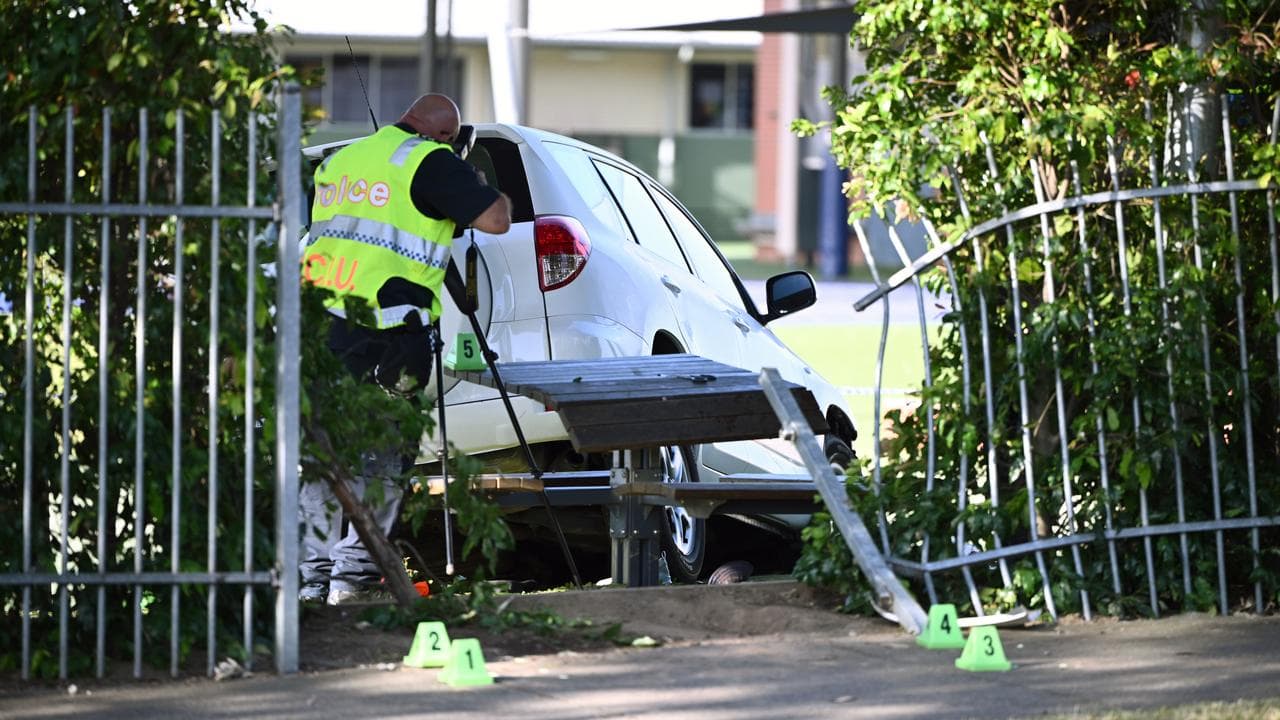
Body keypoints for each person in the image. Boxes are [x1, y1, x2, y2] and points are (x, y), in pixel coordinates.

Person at [299, 93, 511, 605]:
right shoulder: (429, 160)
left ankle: (308, 580)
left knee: (320, 456)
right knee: (380, 459)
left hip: (321, 329)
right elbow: (496, 218)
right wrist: (470, 177)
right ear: (445, 135)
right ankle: (351, 582)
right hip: (389, 335)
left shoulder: (342, 159)